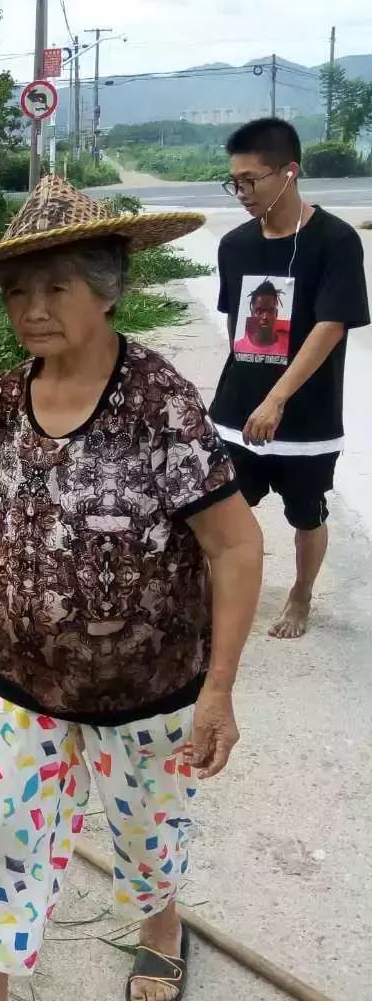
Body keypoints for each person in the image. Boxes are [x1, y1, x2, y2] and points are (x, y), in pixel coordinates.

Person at [0, 176, 262, 1001]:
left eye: (55, 286)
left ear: (108, 288)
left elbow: (234, 546)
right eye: (17, 290)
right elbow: (3, 508)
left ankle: (160, 927)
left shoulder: (161, 403)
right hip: (27, 675)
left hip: (147, 682)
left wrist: (219, 686)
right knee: (6, 834)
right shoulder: (3, 397)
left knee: (145, 831)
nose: (32, 308)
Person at [210, 117, 369, 639]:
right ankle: (220, 595)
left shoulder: (335, 241)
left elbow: (330, 326)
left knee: (306, 514)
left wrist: (276, 399)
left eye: (251, 180)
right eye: (234, 181)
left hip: (305, 416)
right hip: (237, 415)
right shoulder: (234, 246)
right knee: (221, 512)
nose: (241, 192)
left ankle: (300, 594)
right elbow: (238, 330)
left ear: (289, 173)